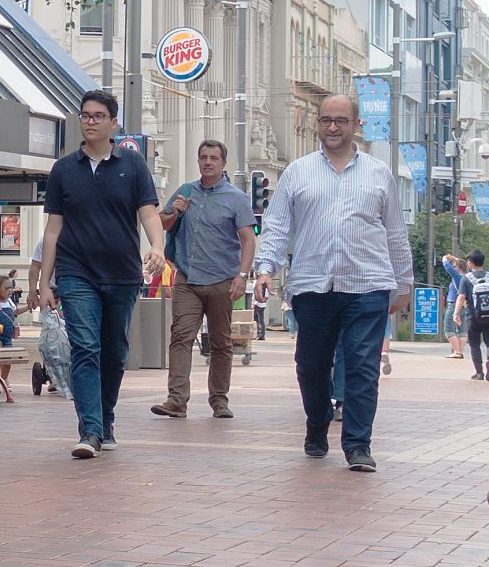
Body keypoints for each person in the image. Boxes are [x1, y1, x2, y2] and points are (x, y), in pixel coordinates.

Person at [254, 93, 412, 473]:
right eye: (326, 120)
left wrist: (403, 282)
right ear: (318, 124)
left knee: (362, 367)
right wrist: (265, 269)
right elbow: (277, 226)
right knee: (311, 366)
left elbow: (394, 232)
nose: (332, 127)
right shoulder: (298, 172)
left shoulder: (378, 174)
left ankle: (358, 445)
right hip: (312, 286)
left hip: (368, 284)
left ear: (357, 124)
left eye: (340, 120)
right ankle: (317, 421)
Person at [37, 89, 165, 458]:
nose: (89, 121)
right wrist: (45, 282)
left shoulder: (133, 166)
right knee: (86, 347)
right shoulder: (64, 170)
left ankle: (106, 418)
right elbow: (53, 230)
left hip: (123, 274)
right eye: (84, 115)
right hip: (77, 273)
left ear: (113, 123)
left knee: (113, 352)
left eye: (97, 116)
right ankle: (89, 430)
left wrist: (157, 247)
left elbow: (148, 214)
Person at [150, 140, 256, 419]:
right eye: (203, 158)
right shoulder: (186, 191)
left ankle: (219, 400)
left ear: (223, 163)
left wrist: (242, 276)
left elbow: (248, 239)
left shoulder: (236, 198)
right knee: (181, 337)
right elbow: (160, 223)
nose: (207, 162)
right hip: (188, 277)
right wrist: (176, 211)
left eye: (213, 158)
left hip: (223, 279)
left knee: (220, 342)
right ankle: (176, 400)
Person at [0, 273, 31, 390]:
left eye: (10, 287)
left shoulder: (10, 302)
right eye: (6, 288)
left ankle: (4, 379)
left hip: (7, 335)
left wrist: (28, 307)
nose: (10, 290)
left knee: (8, 359)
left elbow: (16, 311)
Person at [453, 249, 489, 380]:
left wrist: (456, 313)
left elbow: (461, 297)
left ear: (470, 263)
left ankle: (479, 372)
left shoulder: (466, 279)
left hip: (472, 316)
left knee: (474, 344)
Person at [443, 253, 467, 359]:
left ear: (458, 268)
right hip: (465, 306)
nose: (453, 267)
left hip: (454, 305)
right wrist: (455, 259)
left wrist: (446, 258)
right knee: (462, 330)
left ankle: (457, 351)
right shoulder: (468, 276)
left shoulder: (457, 276)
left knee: (448, 328)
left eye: (455, 266)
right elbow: (464, 264)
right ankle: (460, 351)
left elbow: (446, 265)